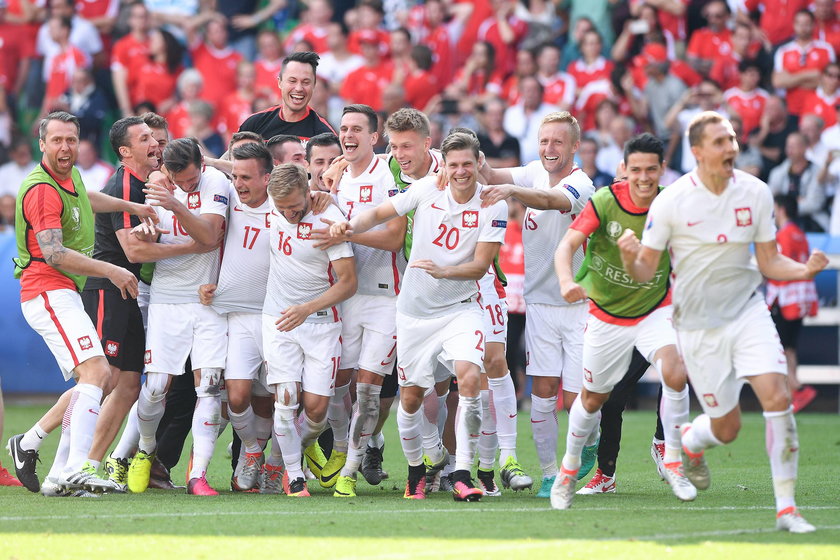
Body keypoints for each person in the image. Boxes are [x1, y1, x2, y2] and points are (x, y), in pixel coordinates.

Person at [619, 111, 827, 533]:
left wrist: (804, 271)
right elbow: (645, 270)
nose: (730, 147)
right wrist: (629, 256)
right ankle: (693, 443)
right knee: (727, 429)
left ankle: (787, 509)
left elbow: (769, 261)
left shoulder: (756, 192)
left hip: (748, 310)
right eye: (720, 141)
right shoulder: (671, 201)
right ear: (697, 152)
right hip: (697, 326)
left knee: (776, 395)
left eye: (731, 139)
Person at [329, 132, 508, 502]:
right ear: (447, 166)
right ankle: (416, 474)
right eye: (454, 165)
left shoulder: (493, 205)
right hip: (414, 313)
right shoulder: (428, 188)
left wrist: (444, 271)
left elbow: (479, 266)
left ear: (478, 164)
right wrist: (349, 226)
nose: (460, 172)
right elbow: (382, 213)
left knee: (470, 377)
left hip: (462, 308)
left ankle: (462, 472)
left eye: (467, 165)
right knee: (409, 400)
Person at [7, 112, 154, 496]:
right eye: (56, 140)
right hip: (47, 290)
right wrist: (113, 270)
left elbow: (85, 198)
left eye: (70, 139)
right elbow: (55, 254)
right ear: (42, 144)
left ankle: (47, 463)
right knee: (97, 374)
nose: (65, 147)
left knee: (96, 377)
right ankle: (76, 467)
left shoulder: (66, 177)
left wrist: (134, 208)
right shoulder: (41, 189)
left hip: (61, 292)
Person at [550, 133, 694, 509]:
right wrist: (567, 280)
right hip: (607, 314)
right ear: (623, 170)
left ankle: (673, 458)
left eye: (651, 170)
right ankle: (569, 469)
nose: (643, 178)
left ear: (662, 169)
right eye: (636, 170)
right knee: (595, 399)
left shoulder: (671, 205)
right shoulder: (604, 201)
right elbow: (566, 245)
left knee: (676, 369)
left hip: (654, 309)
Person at [479, 112, 596, 497]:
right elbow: (491, 175)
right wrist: (472, 160)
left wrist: (512, 192)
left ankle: (585, 447)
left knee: (579, 400)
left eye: (558, 142)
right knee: (543, 393)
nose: (549, 149)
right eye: (544, 141)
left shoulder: (582, 184)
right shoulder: (532, 171)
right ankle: (551, 473)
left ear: (574, 146)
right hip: (540, 305)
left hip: (580, 304)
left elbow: (550, 201)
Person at [126, 138, 229, 496]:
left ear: (201, 164)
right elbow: (137, 250)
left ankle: (197, 474)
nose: (188, 185)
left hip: (208, 300)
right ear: (168, 171)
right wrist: (155, 230)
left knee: (209, 387)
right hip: (167, 300)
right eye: (180, 180)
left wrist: (176, 205)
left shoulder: (215, 182)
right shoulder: (153, 188)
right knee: (155, 388)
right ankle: (145, 451)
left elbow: (210, 234)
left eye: (192, 179)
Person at [312, 105, 403, 498]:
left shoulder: (388, 172)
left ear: (374, 136)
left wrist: (345, 234)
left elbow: (395, 238)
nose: (348, 135)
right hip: (344, 297)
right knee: (334, 384)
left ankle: (348, 468)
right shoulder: (334, 179)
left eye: (356, 130)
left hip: (386, 297)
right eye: (344, 129)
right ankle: (352, 448)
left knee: (369, 388)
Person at [263, 163, 357, 497]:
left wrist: (307, 309)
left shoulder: (327, 217)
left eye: (295, 206)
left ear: (307, 192)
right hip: (279, 320)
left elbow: (348, 283)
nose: (289, 214)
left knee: (317, 410)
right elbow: (243, 165)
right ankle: (293, 476)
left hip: (321, 323)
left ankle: (288, 453)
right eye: (282, 208)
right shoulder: (268, 206)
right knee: (286, 400)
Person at [197, 142, 275, 492]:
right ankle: (252, 453)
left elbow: (318, 197)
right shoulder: (226, 203)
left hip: (277, 318)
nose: (239, 183)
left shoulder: (285, 208)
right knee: (238, 396)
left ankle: (272, 465)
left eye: (247, 177)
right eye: (236, 176)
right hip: (239, 315)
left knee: (271, 399)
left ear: (266, 178)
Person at [766, 195, 819, 412]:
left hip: (784, 299)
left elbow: (778, 267)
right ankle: (792, 394)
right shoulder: (800, 234)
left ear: (780, 209)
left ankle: (797, 389)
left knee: (779, 349)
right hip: (800, 298)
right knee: (789, 348)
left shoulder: (783, 235)